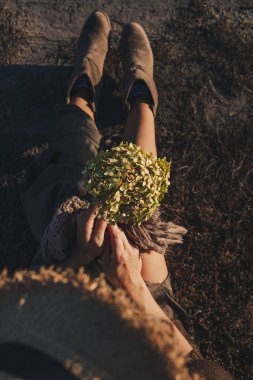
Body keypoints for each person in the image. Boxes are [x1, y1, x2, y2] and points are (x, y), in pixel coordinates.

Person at [20, 10, 234, 379]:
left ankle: (83, 92)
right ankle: (140, 96)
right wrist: (135, 288)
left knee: (71, 167)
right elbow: (199, 367)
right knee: (140, 206)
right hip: (154, 327)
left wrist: (81, 255)